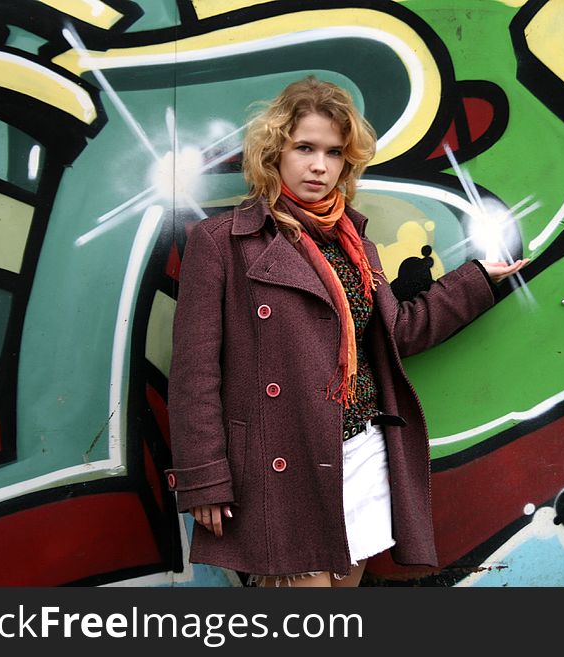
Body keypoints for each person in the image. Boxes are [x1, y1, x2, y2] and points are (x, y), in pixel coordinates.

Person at [166, 76, 527, 587]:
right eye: (305, 148)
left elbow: (395, 332)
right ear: (274, 152)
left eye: (334, 153)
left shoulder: (353, 242)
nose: (319, 166)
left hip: (357, 452)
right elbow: (194, 375)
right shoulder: (222, 242)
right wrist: (205, 482)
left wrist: (475, 282)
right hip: (283, 466)